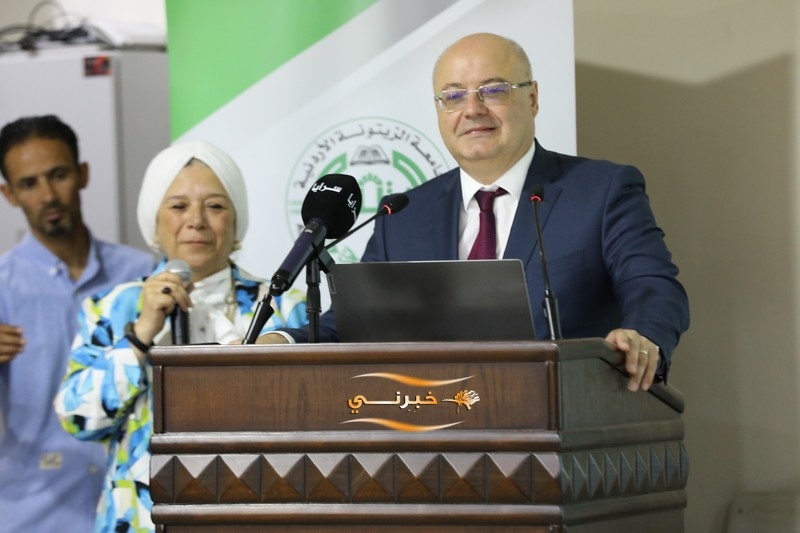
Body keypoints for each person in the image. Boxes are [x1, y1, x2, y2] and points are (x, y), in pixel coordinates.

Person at [259, 32, 690, 392]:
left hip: (570, 424)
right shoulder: (402, 216)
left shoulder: (602, 190)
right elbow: (354, 325)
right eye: (453, 96)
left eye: (494, 89)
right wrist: (280, 342)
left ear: (533, 98)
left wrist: (642, 336)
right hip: (429, 439)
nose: (472, 109)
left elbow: (653, 286)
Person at [53, 140, 308, 532]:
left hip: (255, 515)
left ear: (236, 222)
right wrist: (141, 335)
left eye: (215, 206)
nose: (197, 221)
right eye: (178, 206)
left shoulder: (285, 308)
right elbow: (78, 421)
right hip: (140, 519)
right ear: (153, 223)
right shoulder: (114, 307)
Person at [0, 115, 155, 532]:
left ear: (83, 173)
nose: (48, 195)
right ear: (9, 194)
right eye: (29, 184)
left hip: (132, 508)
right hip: (32, 514)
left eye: (59, 175)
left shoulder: (143, 275)